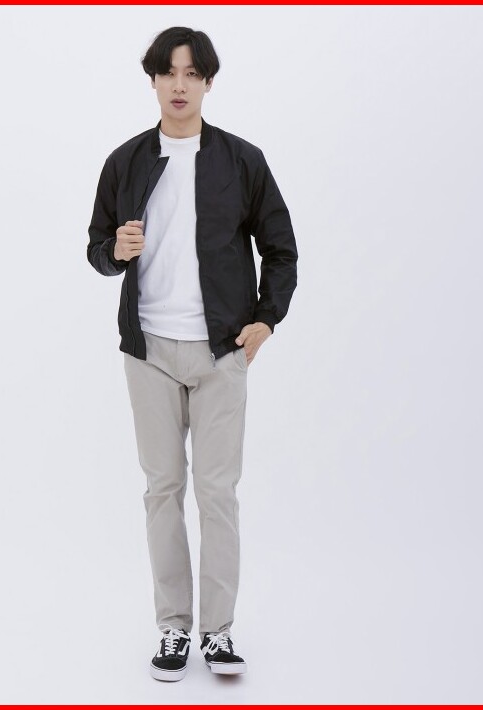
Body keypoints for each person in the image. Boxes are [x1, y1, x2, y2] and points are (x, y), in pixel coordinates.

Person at [87, 26, 298, 682]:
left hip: (221, 352)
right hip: (148, 349)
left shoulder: (242, 160)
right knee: (163, 490)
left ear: (208, 82)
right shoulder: (125, 161)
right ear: (153, 80)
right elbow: (96, 248)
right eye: (167, 73)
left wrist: (265, 320)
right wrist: (114, 252)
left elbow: (281, 248)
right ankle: (174, 627)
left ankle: (218, 632)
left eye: (191, 74)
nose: (179, 85)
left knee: (217, 494)